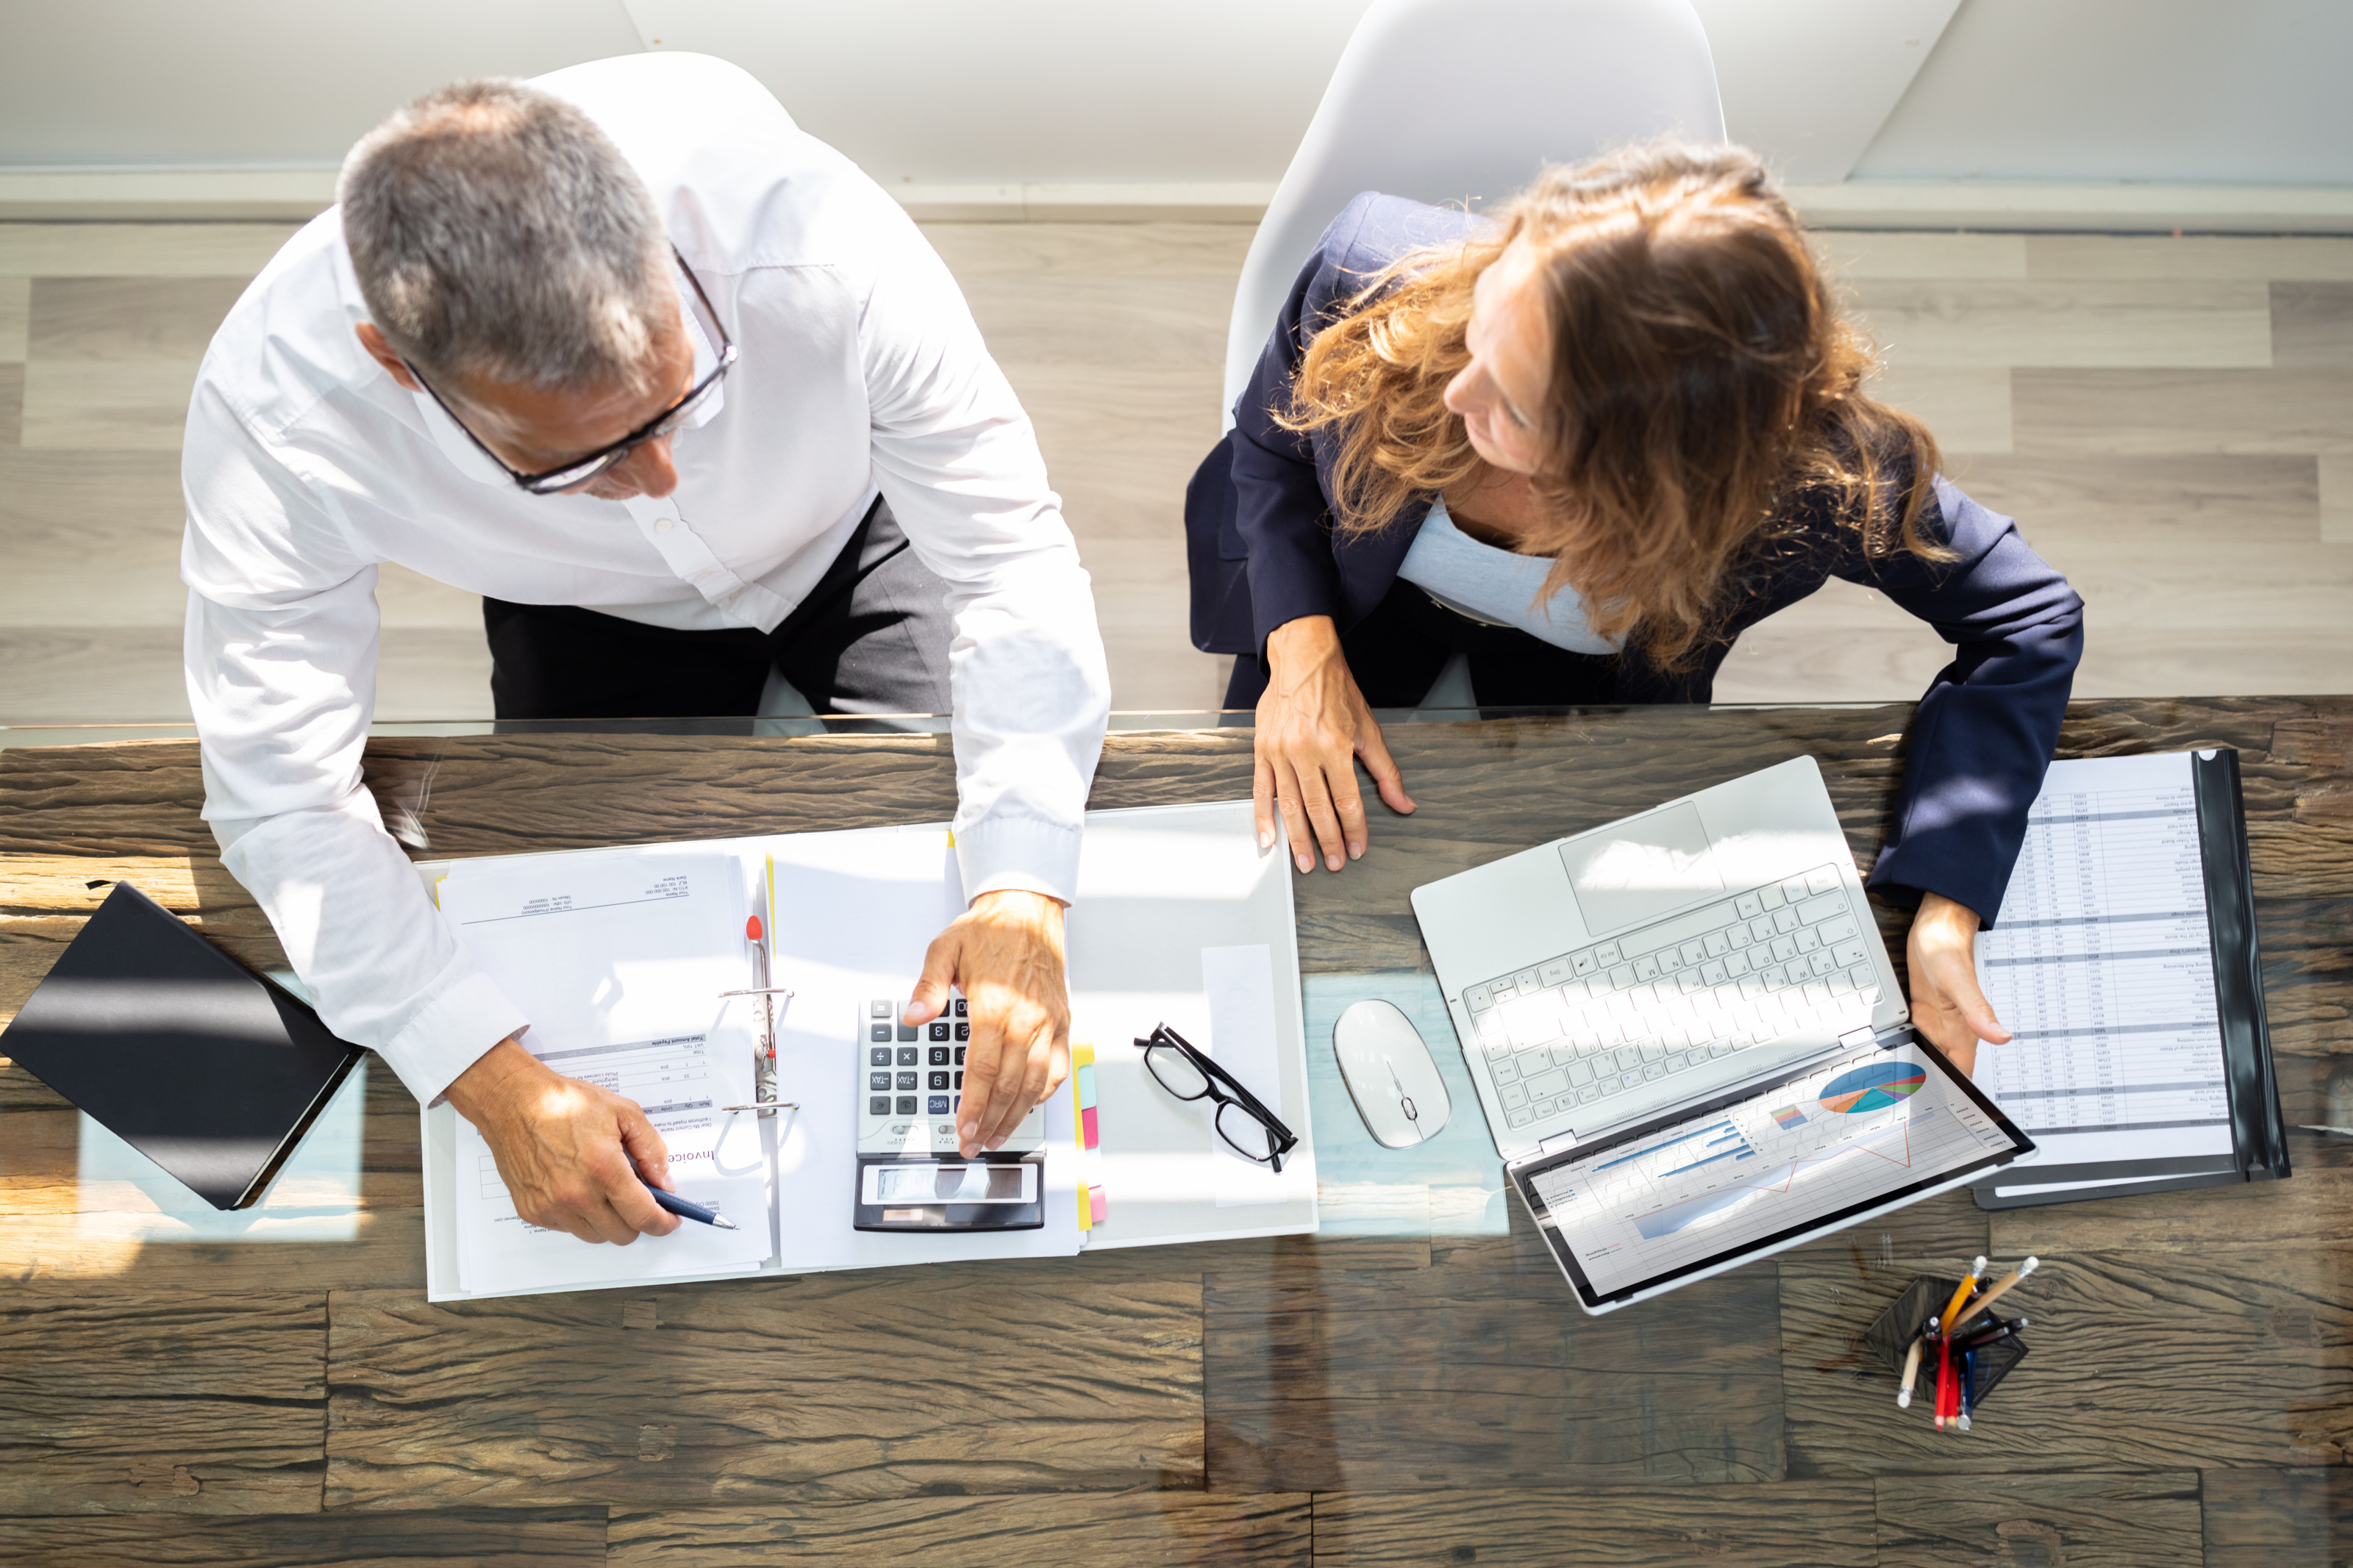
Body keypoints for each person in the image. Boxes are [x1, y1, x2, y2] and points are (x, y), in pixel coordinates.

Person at [181, 54, 1110, 1246]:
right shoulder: (275, 423)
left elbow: (1009, 565)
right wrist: (488, 1077)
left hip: (859, 527)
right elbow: (282, 801)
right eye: (579, 460)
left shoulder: (821, 240)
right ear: (393, 365)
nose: (662, 480)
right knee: (593, 936)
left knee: (942, 904)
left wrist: (1024, 889)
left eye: (686, 396)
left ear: (664, 244)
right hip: (580, 611)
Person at [1185, 145, 2083, 1076]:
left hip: (1589, 690)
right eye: (1484, 321)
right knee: (1253, 918)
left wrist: (1948, 900)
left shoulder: (1817, 480)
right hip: (1340, 597)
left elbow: (2029, 620)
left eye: (1519, 408)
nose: (1458, 393)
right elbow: (1268, 448)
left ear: (1657, 474)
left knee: (1566, 986)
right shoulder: (1368, 267)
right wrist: (1299, 652)